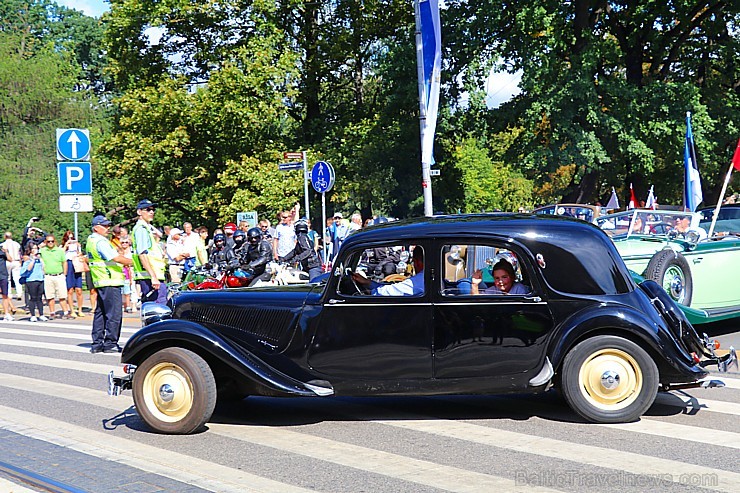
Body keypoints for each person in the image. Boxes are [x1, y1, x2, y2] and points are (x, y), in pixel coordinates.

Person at [86, 215, 133, 353]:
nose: (108, 228)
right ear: (96, 227)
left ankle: (97, 343)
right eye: (104, 226)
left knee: (100, 313)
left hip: (101, 280)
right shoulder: (101, 242)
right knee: (114, 314)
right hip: (110, 280)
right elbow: (116, 258)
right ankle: (110, 343)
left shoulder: (91, 240)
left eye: (108, 225)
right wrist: (133, 262)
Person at [131, 199, 168, 304]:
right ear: (139, 212)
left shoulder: (146, 228)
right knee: (158, 310)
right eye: (148, 209)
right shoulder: (141, 229)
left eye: (153, 209)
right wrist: (153, 277)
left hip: (151, 276)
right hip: (150, 278)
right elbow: (142, 254)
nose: (152, 212)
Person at [351, 246, 424, 296]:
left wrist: (368, 293)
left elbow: (392, 291)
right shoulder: (425, 278)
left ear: (417, 262)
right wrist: (368, 282)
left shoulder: (422, 279)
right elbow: (394, 288)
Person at [39, 234, 74, 319]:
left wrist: (64, 274)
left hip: (59, 275)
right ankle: (52, 313)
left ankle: (65, 312)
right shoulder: (42, 251)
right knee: (50, 296)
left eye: (52, 241)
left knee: (62, 295)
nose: (50, 243)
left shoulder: (59, 250)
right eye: (48, 241)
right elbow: (32, 252)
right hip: (48, 276)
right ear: (45, 242)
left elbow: (64, 262)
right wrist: (40, 246)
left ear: (55, 241)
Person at [20, 245, 46, 321]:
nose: (36, 250)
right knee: (33, 298)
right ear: (31, 250)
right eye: (34, 248)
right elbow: (28, 268)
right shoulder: (28, 260)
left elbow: (44, 269)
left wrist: (41, 260)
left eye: (37, 248)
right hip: (31, 280)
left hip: (40, 280)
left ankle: (41, 314)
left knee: (39, 298)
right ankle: (33, 315)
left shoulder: (39, 260)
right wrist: (33, 260)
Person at [62, 230, 85, 318]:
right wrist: (66, 245)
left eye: (72, 238)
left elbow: (80, 254)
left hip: (76, 264)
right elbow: (61, 254)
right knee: (70, 289)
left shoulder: (77, 246)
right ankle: (71, 310)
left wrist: (79, 248)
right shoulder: (64, 247)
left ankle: (80, 309)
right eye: (69, 238)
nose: (71, 240)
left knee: (79, 289)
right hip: (69, 264)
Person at [2, 231, 22, 302]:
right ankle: (19, 293)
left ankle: (9, 294)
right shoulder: (16, 244)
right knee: (17, 278)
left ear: (5, 236)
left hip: (7, 261)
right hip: (16, 261)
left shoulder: (3, 245)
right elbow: (20, 252)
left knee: (8, 278)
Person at [0, 247, 12, 321]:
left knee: (5, 295)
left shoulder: (2, 252)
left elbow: (10, 259)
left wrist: (6, 252)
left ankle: (6, 314)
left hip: (3, 275)